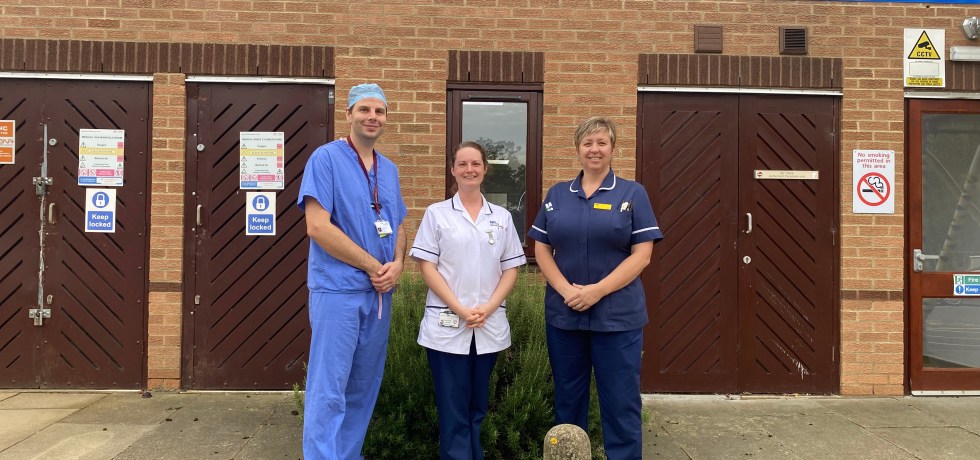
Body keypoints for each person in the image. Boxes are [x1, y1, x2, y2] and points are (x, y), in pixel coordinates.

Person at [527, 117, 663, 460]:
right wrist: (565, 289)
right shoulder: (558, 194)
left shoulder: (633, 193)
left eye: (602, 142)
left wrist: (597, 291)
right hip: (565, 316)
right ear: (577, 149)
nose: (594, 149)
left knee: (620, 403)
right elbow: (541, 248)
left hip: (617, 319)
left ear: (613, 148)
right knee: (568, 401)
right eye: (587, 143)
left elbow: (642, 255)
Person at [298, 83, 407, 460]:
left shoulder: (389, 170)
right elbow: (317, 227)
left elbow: (398, 224)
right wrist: (374, 266)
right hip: (338, 292)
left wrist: (398, 264)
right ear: (348, 114)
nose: (372, 117)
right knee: (329, 389)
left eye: (379, 111)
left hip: (378, 296)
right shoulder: (325, 159)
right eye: (364, 109)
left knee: (362, 389)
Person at [409, 141, 527, 460]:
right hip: (447, 325)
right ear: (453, 170)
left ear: (485, 169)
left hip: (487, 324)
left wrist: (488, 307)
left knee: (478, 406)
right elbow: (427, 267)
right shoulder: (436, 214)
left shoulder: (501, 217)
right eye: (462, 164)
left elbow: (511, 269)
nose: (469, 169)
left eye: (475, 163)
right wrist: (460, 309)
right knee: (453, 408)